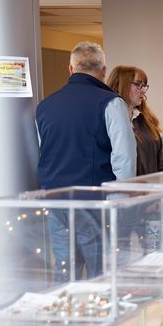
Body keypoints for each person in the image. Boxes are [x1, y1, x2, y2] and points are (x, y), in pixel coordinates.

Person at [35, 42, 135, 277]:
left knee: (63, 270)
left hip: (55, 202)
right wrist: (120, 206)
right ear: (102, 70)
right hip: (95, 203)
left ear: (70, 69)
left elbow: (43, 152)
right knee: (99, 272)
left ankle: (65, 313)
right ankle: (96, 313)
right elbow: (125, 159)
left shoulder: (45, 107)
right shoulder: (111, 103)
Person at [107, 64, 162, 177]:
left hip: (151, 189)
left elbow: (160, 160)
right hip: (124, 189)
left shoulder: (146, 120)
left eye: (144, 86)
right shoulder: (109, 119)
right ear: (120, 85)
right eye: (138, 85)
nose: (143, 91)